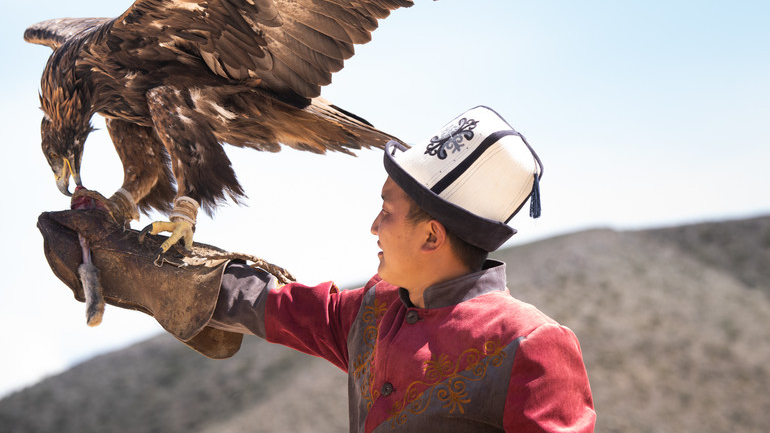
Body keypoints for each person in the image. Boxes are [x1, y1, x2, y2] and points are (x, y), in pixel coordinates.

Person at [39, 105, 595, 432]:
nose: (373, 228)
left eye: (386, 211)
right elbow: (268, 304)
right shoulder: (375, 310)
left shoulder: (530, 345)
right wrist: (130, 257)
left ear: (432, 234)